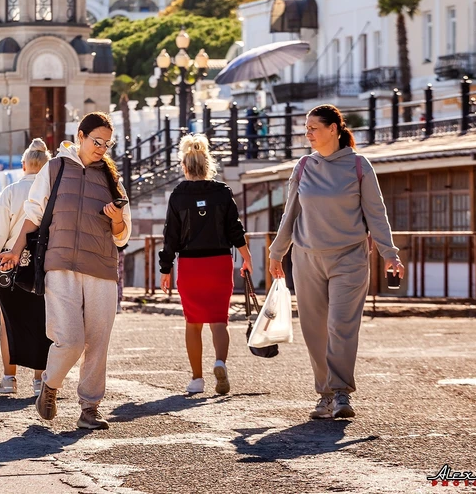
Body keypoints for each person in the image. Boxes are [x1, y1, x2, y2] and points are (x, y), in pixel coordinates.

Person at [0, 112, 132, 431]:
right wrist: (15, 251)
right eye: (96, 141)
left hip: (101, 268)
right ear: (81, 136)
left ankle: (89, 408)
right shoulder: (55, 168)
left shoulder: (112, 179)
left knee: (98, 342)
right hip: (59, 267)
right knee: (69, 339)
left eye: (107, 144)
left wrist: (115, 218)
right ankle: (51, 385)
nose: (101, 148)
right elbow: (33, 213)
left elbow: (123, 235)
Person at [269, 104, 405, 420]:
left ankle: (341, 391)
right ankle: (325, 394)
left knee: (341, 326)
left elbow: (376, 213)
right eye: (306, 128)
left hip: (350, 258)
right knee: (315, 329)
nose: (308, 134)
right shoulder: (303, 166)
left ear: (333, 129)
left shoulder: (358, 166)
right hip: (307, 259)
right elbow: (291, 213)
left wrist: (390, 253)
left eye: (314, 128)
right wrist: (278, 252)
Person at [158, 134, 253, 396]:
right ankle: (220, 363)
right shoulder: (222, 192)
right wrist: (246, 256)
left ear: (185, 166)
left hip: (190, 266)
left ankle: (197, 379)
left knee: (193, 323)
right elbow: (235, 228)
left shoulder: (178, 195)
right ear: (208, 164)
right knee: (219, 320)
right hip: (219, 263)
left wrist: (165, 269)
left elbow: (171, 236)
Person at [0, 139, 50, 397]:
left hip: (10, 265)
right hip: (45, 266)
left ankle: (9, 378)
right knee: (44, 323)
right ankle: (41, 379)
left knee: (7, 324)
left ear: (23, 165)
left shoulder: (10, 191)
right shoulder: (52, 190)